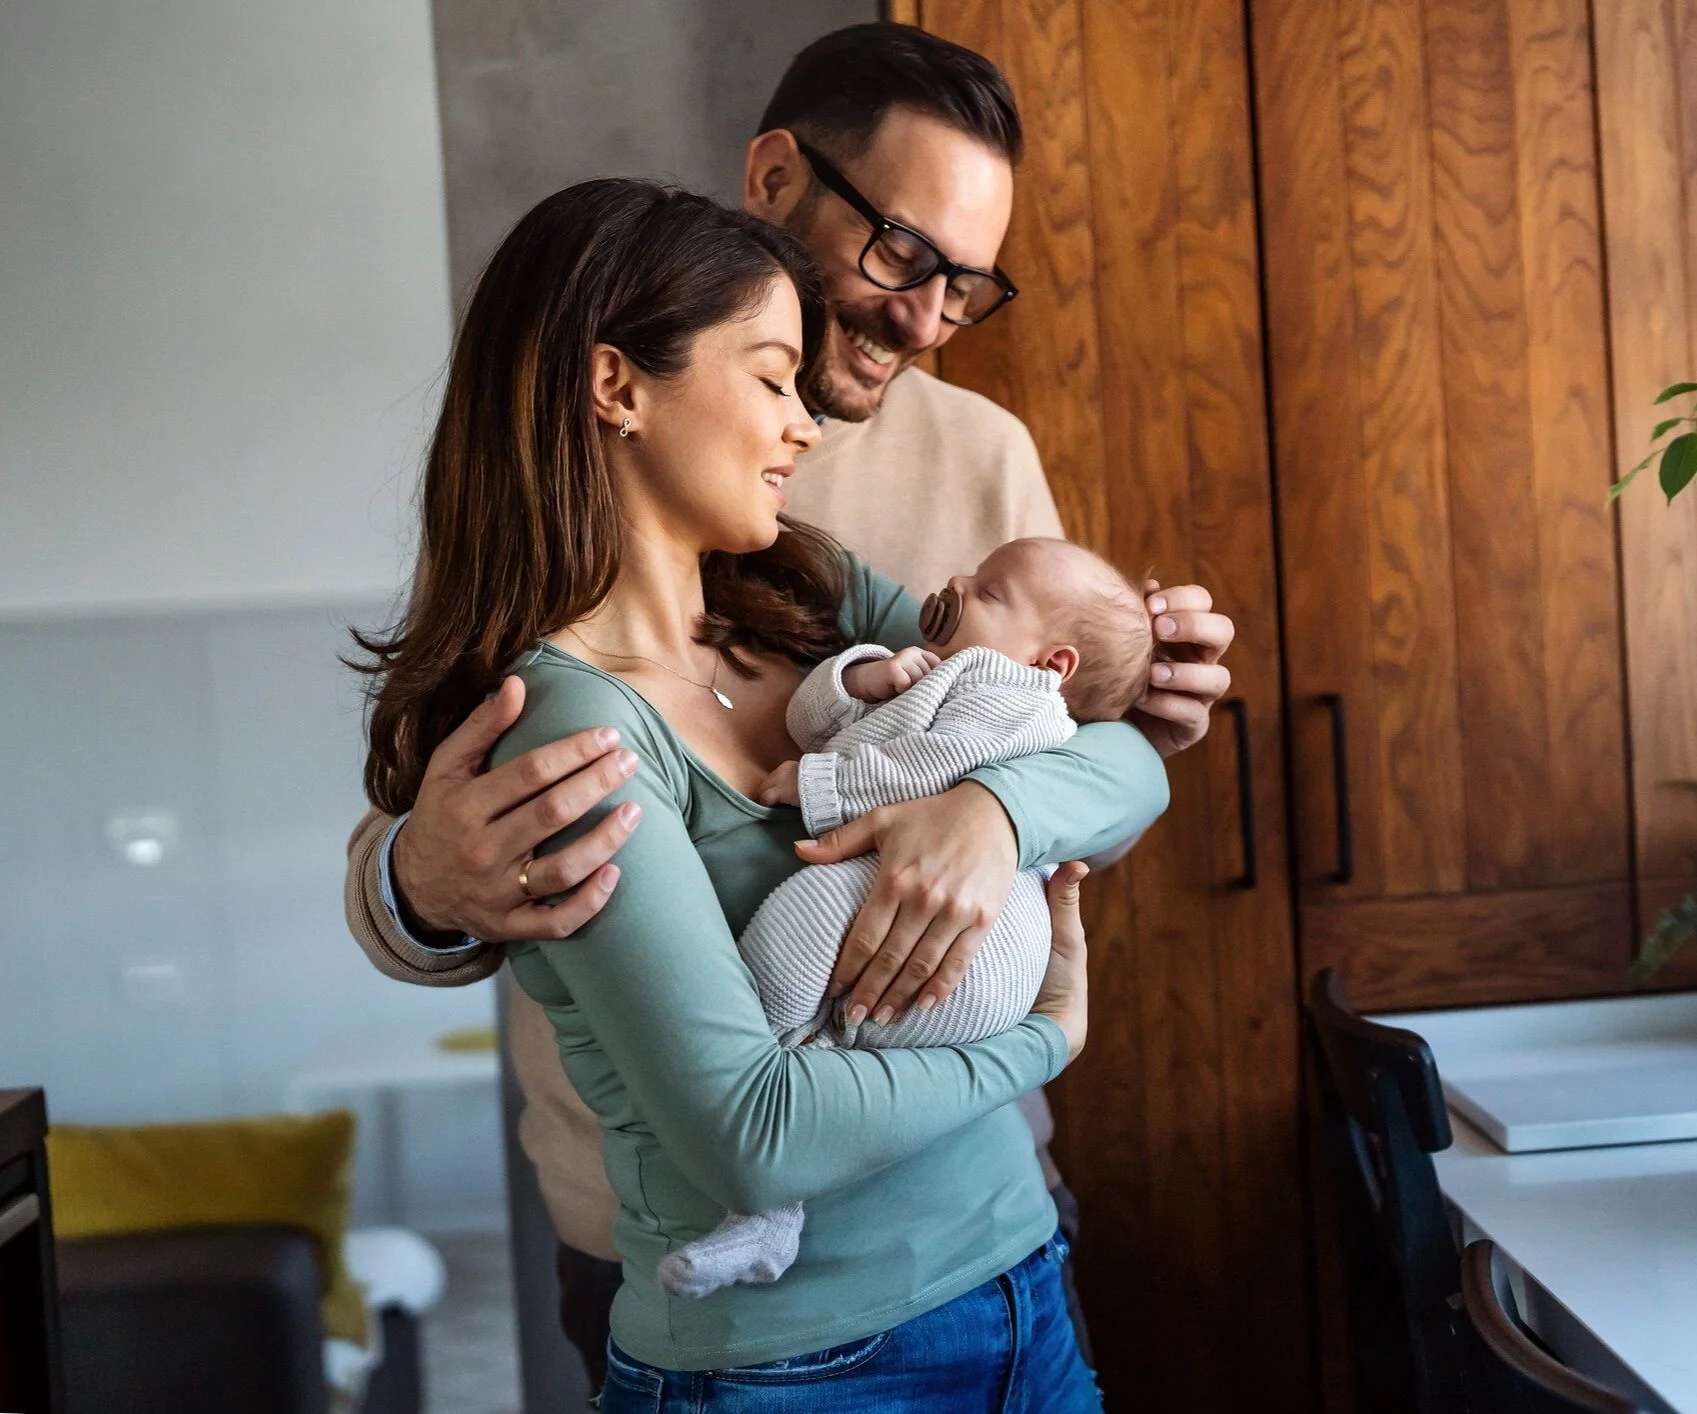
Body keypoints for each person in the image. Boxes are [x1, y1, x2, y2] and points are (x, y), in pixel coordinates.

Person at [340, 21, 1233, 1391]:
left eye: (967, 287)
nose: (928, 319)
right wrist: (420, 874)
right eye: (902, 257)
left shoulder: (813, 567)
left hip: (1003, 1250)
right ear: (773, 180)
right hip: (760, 1307)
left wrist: (993, 808)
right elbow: (437, 847)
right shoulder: (566, 672)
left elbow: (1098, 748)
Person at [658, 537, 1155, 1300]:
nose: (956, 581)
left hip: (978, 949)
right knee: (814, 1002)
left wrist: (817, 784)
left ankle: (770, 1172)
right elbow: (810, 716)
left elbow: (931, 768)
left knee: (794, 926)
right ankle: (773, 1208)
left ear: (1052, 664)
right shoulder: (937, 665)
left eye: (989, 592)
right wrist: (865, 676)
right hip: (925, 916)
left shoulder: (1015, 695)